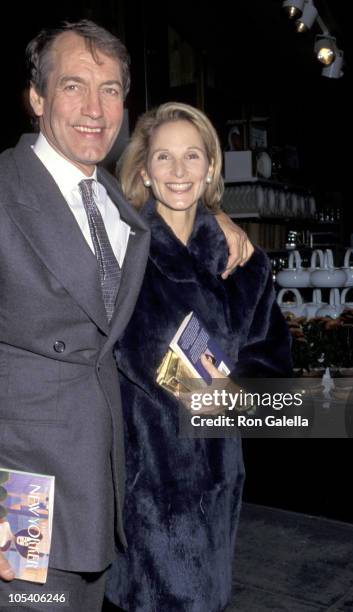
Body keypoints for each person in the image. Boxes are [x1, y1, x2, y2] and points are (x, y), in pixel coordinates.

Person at [0, 21, 252, 610]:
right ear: (37, 98)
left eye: (110, 89)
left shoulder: (123, 212)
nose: (94, 108)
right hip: (23, 500)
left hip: (111, 503)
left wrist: (222, 221)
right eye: (73, 86)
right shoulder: (5, 191)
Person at [104, 102, 292, 612]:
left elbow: (272, 365)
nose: (179, 171)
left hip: (219, 481)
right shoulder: (120, 252)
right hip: (146, 483)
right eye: (163, 157)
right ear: (144, 169)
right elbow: (127, 353)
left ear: (212, 166)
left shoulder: (245, 265)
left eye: (192, 155)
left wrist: (234, 400)